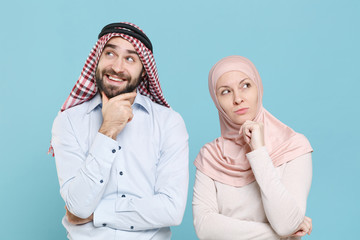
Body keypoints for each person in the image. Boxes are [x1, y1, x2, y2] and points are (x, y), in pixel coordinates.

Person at [50, 22, 189, 240]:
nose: (117, 67)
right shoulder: (68, 121)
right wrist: (107, 131)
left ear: (144, 72)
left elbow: (171, 209)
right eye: (110, 54)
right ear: (97, 59)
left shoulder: (168, 123)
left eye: (130, 59)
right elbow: (77, 207)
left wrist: (98, 213)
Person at [192, 56, 313, 240]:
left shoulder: (293, 146)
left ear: (259, 88)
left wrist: (258, 152)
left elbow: (284, 224)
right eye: (225, 91)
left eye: (246, 85)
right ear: (216, 101)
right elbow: (205, 228)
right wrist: (282, 234)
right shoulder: (210, 156)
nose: (238, 99)